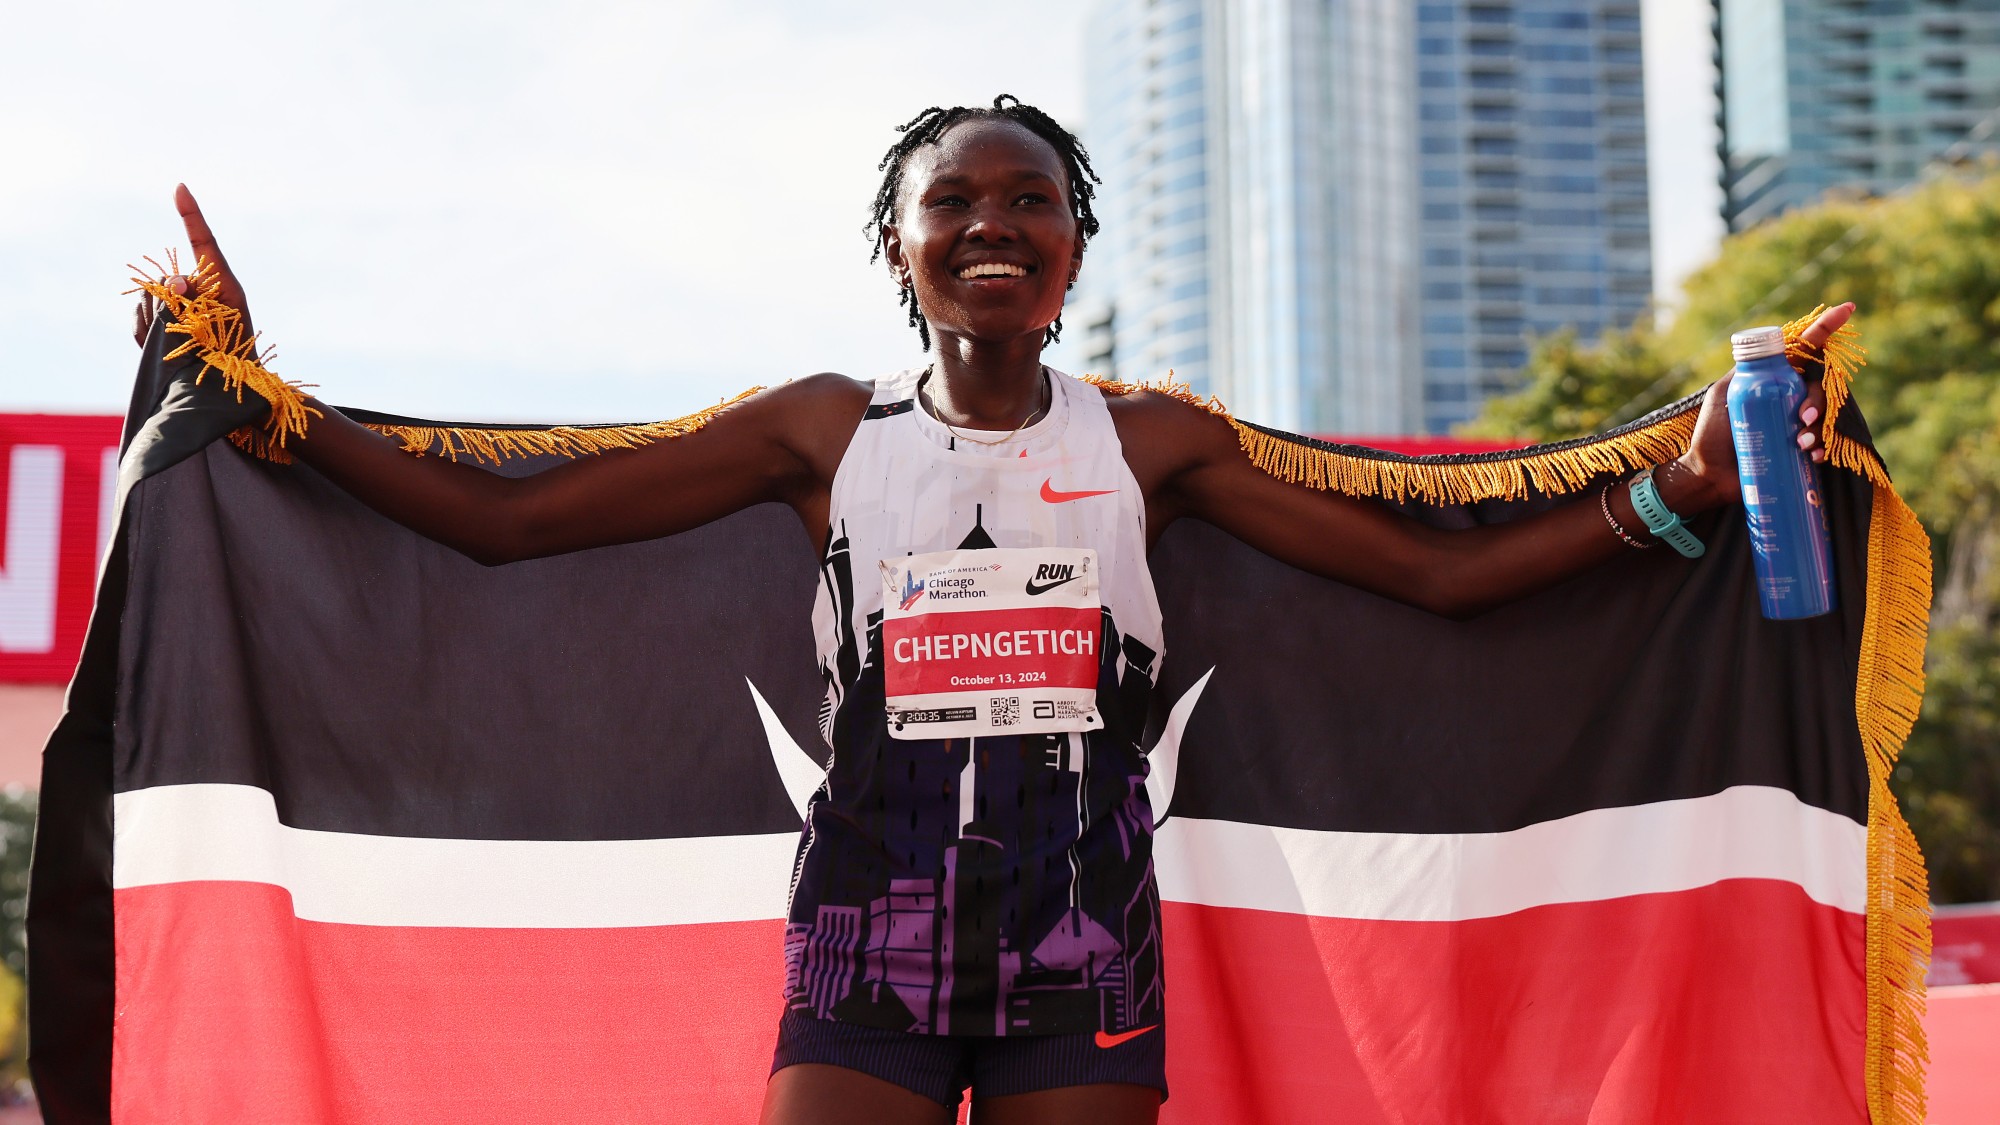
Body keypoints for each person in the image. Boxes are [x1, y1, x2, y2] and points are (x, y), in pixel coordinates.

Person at [141, 95, 1844, 1125]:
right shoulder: (823, 434)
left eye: (1030, 199)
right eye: (952, 200)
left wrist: (1672, 489)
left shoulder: (1154, 444)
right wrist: (266, 399)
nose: (992, 224)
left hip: (1079, 942)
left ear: (1076, 246)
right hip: (865, 935)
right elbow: (507, 524)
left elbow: (1438, 572)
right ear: (899, 247)